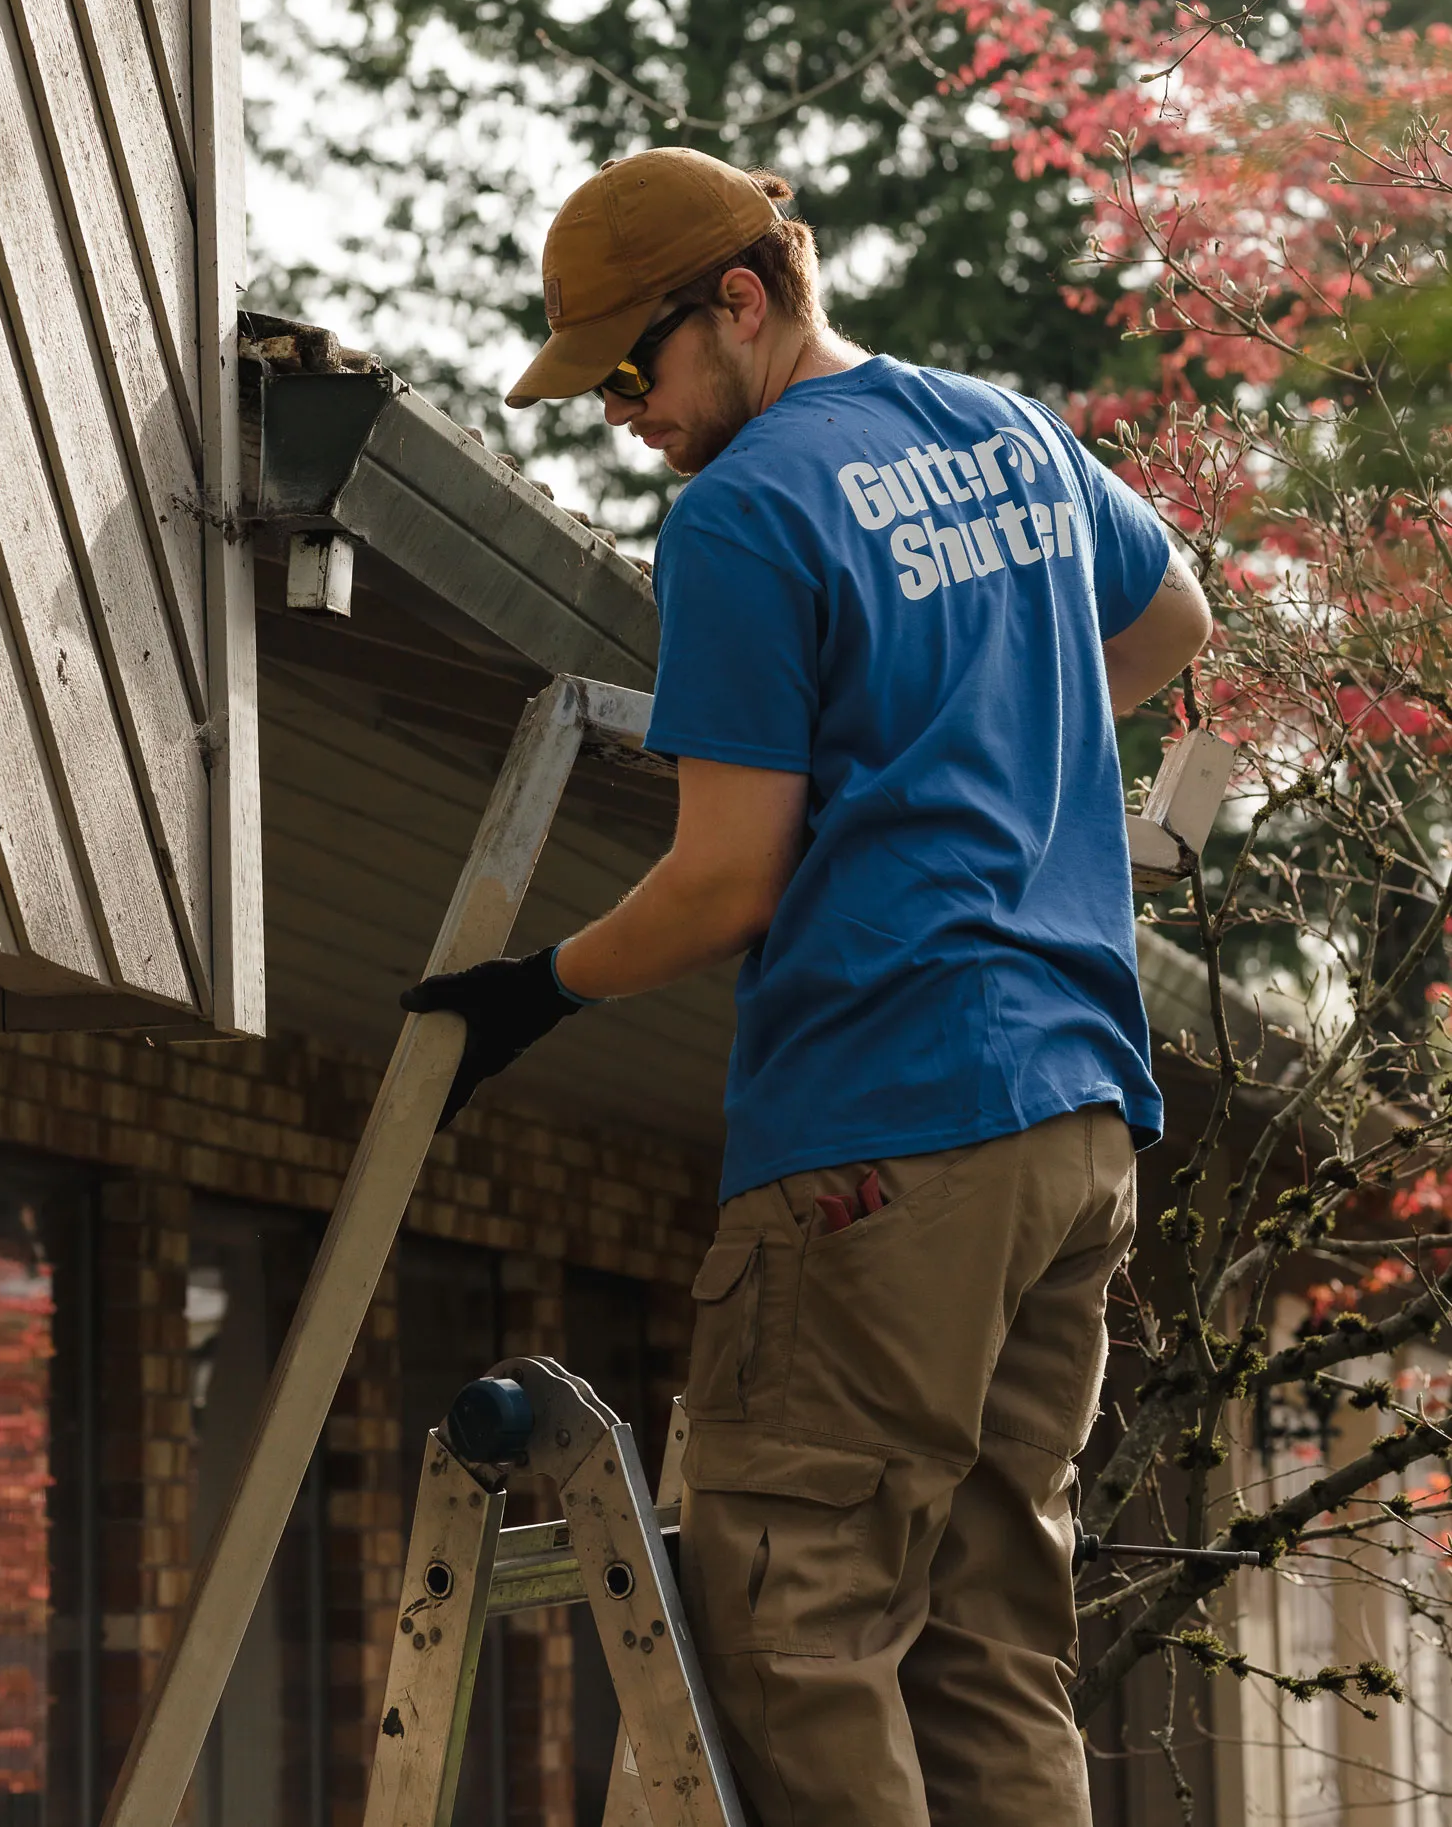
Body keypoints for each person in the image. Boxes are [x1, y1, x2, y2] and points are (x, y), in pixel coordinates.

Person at [401, 148, 1211, 1827]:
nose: (624, 411)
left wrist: (532, 990)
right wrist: (1006, 732)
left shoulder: (749, 511)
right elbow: (1174, 617)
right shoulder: (1011, 431)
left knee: (796, 1619)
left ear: (745, 302)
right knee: (991, 1636)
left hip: (881, 1130)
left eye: (635, 365)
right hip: (1074, 1119)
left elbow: (722, 879)